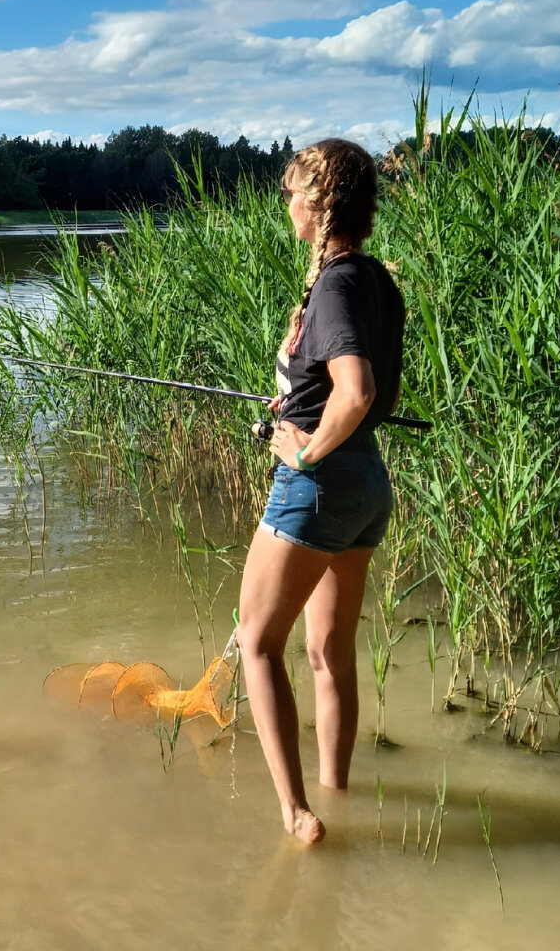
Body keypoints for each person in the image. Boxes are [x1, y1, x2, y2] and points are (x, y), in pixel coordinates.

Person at [235, 138, 404, 845]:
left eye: (290, 191)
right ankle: (335, 791)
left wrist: (302, 449)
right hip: (366, 485)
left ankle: (296, 815)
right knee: (328, 653)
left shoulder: (333, 283)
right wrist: (293, 406)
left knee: (257, 645)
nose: (285, 203)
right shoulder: (372, 277)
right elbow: (346, 387)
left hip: (318, 485)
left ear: (319, 201)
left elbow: (355, 391)